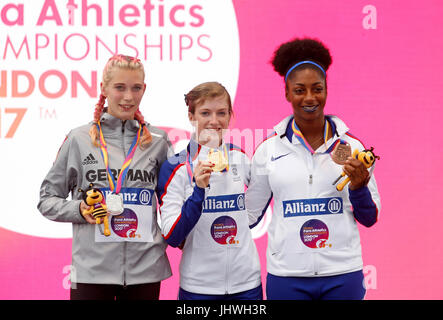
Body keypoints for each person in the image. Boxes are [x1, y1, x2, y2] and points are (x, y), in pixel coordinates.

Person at [246, 38, 381, 300]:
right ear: (287, 93)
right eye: (299, 90)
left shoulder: (353, 147)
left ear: (326, 90)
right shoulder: (268, 150)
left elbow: (369, 217)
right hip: (287, 278)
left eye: (317, 89)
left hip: (343, 275)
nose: (309, 98)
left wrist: (359, 186)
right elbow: (249, 216)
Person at [38, 54, 172, 300]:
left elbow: (172, 201)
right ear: (104, 88)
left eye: (136, 88)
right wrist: (80, 209)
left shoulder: (158, 141)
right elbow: (46, 200)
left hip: (146, 271)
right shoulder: (79, 139)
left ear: (145, 89)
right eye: (119, 87)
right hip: (91, 273)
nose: (128, 96)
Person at [157, 82, 262, 300]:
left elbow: (254, 209)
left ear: (230, 115)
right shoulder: (175, 167)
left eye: (221, 113)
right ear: (191, 115)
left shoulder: (240, 157)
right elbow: (173, 237)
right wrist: (198, 192)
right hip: (199, 287)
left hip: (247, 284)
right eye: (205, 113)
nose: (214, 121)